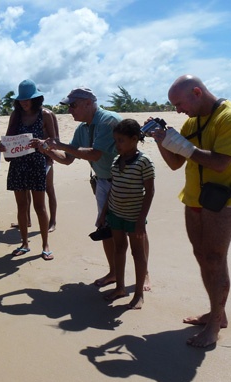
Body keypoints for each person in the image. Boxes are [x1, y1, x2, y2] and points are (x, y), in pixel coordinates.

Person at [152, 75, 231, 347]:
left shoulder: (227, 117)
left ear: (197, 92)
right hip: (194, 198)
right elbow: (175, 163)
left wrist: (182, 145)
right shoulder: (191, 122)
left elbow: (221, 163)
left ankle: (214, 328)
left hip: (222, 203)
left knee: (215, 258)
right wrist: (160, 140)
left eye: (179, 103)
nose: (177, 110)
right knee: (202, 255)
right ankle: (216, 313)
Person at [46, 87, 132, 286]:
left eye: (73, 105)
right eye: (68, 107)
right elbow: (68, 159)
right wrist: (49, 150)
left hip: (124, 182)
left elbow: (95, 154)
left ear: (88, 103)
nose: (70, 111)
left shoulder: (107, 121)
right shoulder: (83, 128)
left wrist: (59, 145)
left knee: (133, 230)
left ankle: (143, 275)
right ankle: (113, 272)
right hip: (102, 181)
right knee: (106, 228)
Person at [99, 119, 155, 309]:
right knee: (119, 248)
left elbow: (150, 192)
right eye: (116, 140)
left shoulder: (144, 162)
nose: (117, 144)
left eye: (121, 140)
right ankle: (120, 287)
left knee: (137, 252)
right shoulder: (117, 160)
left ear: (134, 139)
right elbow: (113, 188)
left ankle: (138, 293)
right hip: (115, 213)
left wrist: (141, 220)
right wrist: (104, 213)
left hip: (134, 216)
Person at [0, 79, 54, 261]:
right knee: (22, 206)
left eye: (27, 99)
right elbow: (8, 139)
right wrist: (2, 146)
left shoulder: (45, 115)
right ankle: (25, 243)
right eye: (21, 100)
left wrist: (43, 144)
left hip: (37, 163)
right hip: (18, 164)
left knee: (39, 206)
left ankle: (45, 244)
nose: (24, 102)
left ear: (36, 99)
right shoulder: (15, 115)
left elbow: (55, 140)